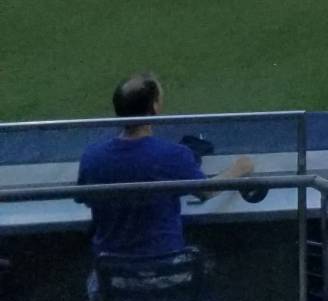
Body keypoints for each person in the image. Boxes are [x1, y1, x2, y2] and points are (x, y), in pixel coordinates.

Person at [77, 73, 257, 265]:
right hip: (166, 275)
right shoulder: (174, 155)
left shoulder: (92, 157)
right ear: (154, 107)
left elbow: (87, 200)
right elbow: (207, 191)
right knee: (211, 261)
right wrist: (240, 169)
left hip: (111, 279)